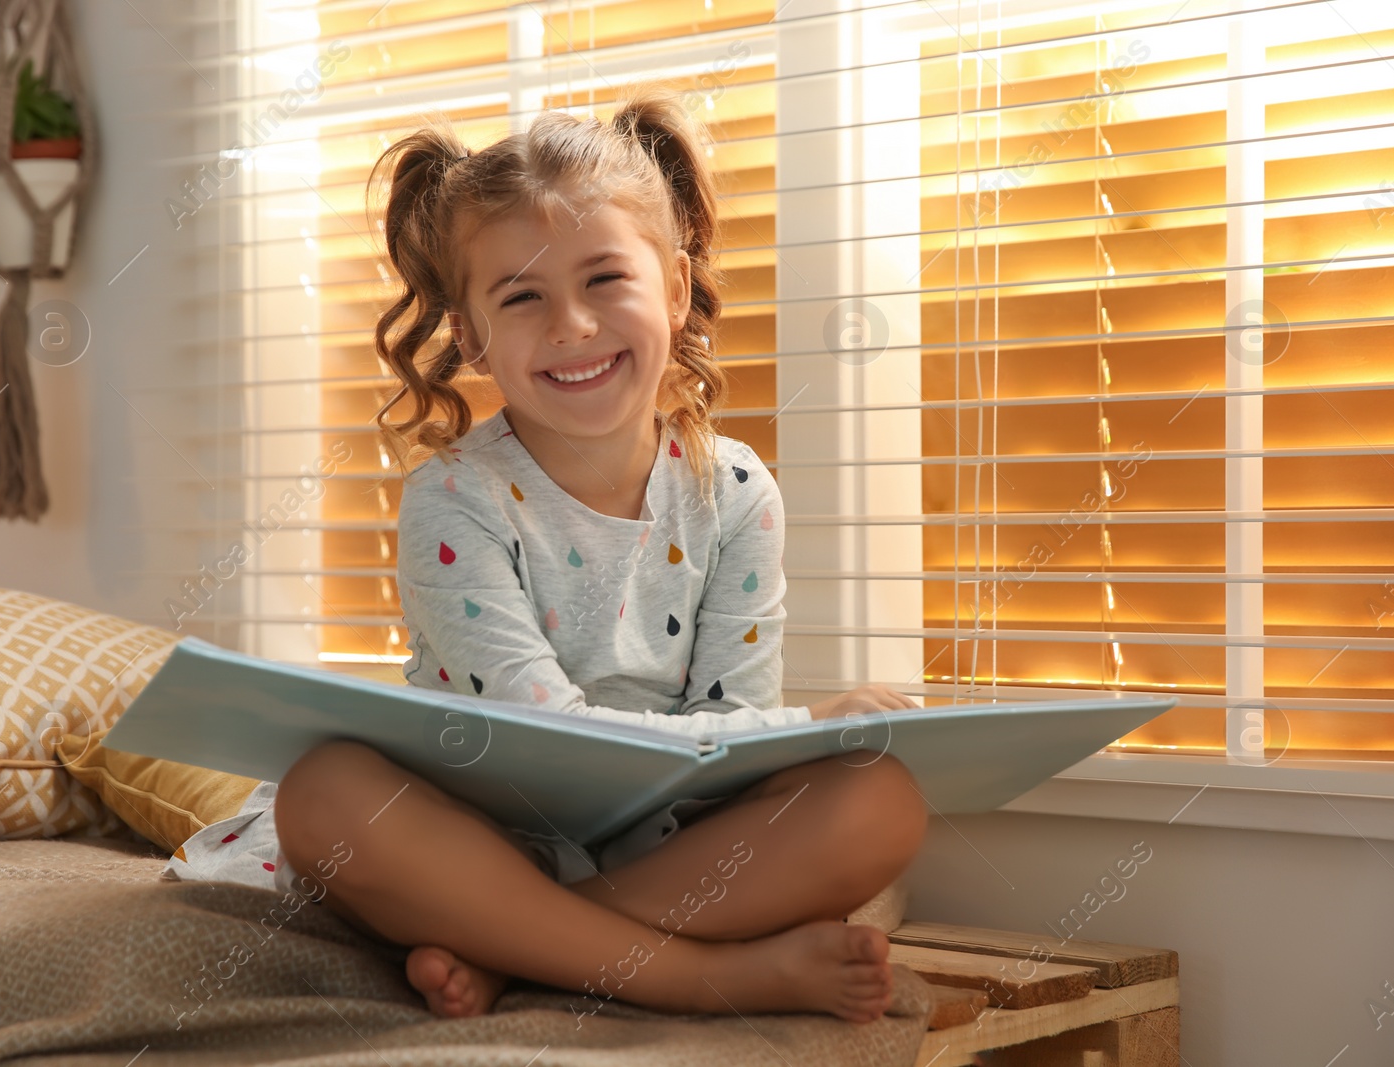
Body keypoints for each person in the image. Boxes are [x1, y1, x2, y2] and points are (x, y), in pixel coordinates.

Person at [271, 88, 928, 1025]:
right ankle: (704, 974)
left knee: (882, 801)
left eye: (604, 280)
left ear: (674, 284)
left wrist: (800, 740)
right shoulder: (452, 499)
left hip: (668, 848)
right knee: (323, 796)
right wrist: (809, 716)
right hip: (477, 836)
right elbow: (550, 744)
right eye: (522, 297)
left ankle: (527, 947)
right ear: (468, 334)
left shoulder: (735, 491)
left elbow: (727, 722)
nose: (572, 324)